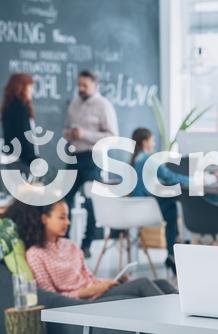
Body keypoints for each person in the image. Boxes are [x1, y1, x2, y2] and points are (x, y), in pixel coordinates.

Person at [3, 199, 177, 300]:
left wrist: (111, 281)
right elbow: (51, 298)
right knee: (143, 284)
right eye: (62, 217)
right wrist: (91, 291)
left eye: (68, 217)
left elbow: (89, 278)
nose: (67, 222)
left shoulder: (69, 246)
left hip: (97, 291)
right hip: (87, 301)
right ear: (44, 219)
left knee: (161, 283)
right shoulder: (35, 255)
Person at [63, 70, 119, 258]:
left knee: (90, 202)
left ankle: (86, 244)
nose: (81, 88)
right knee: (64, 199)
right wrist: (69, 134)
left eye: (84, 85)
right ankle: (64, 243)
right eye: (79, 85)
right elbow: (66, 128)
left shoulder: (104, 106)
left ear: (95, 85)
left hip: (94, 158)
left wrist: (85, 135)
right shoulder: (73, 104)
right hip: (74, 156)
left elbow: (112, 137)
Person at [130, 128, 190, 275]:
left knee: (170, 206)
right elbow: (170, 177)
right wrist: (195, 180)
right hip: (147, 208)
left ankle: (173, 252)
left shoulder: (133, 161)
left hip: (133, 208)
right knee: (172, 209)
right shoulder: (149, 159)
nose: (154, 143)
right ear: (145, 142)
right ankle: (172, 253)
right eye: (152, 140)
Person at [1, 73, 37, 173]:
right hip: (23, 162)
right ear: (22, 88)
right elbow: (24, 137)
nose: (32, 91)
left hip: (11, 160)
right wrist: (33, 160)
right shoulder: (21, 108)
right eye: (30, 87)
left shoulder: (7, 108)